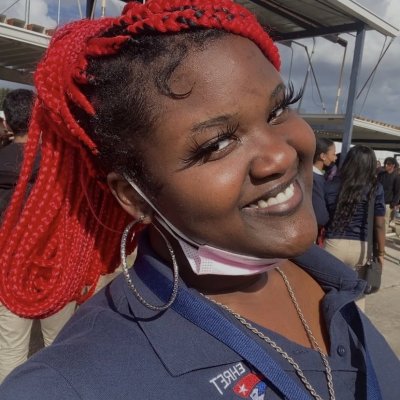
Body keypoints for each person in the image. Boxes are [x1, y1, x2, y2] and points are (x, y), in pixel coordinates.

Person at [0, 1, 399, 399]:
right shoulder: (72, 383)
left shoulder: (324, 278)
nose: (280, 155)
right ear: (134, 197)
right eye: (217, 144)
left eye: (277, 110)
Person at [0, 89, 76, 383]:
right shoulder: (61, 166)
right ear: (40, 120)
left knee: (11, 346)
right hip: (54, 266)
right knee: (60, 341)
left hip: (8, 269)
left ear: (8, 123)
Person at [323, 145, 385, 311]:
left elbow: (324, 216)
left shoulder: (330, 185)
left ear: (348, 162)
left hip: (333, 244)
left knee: (329, 291)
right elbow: (379, 224)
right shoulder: (376, 188)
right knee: (357, 295)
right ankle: (355, 324)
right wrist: (380, 253)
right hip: (362, 248)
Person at [312, 137, 336, 244]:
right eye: (333, 154)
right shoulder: (315, 178)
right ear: (323, 156)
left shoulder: (312, 175)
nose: (335, 158)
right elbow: (320, 214)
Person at [377, 157, 400, 233]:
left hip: (388, 204)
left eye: (388, 164)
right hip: (378, 201)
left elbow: (397, 192)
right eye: (385, 164)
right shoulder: (381, 174)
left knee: (385, 222)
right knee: (377, 221)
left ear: (393, 165)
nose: (386, 165)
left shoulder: (396, 177)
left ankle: (382, 237)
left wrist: (393, 203)